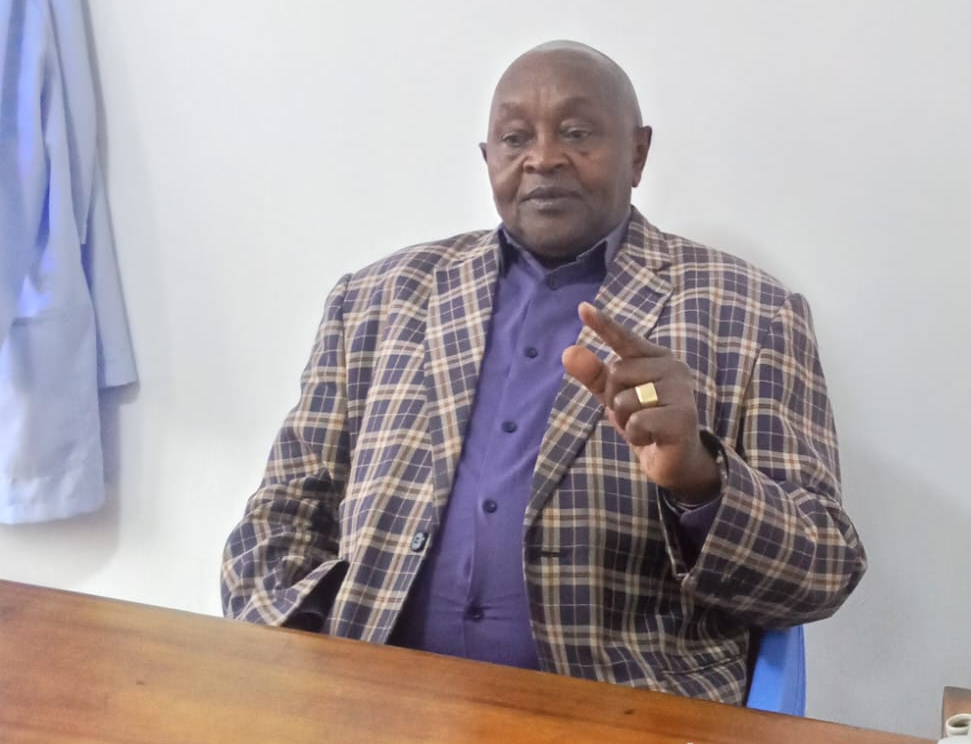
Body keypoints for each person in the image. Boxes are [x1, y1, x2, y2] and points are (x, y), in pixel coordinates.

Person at [221, 41, 865, 703]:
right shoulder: (377, 299)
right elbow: (278, 518)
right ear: (488, 159)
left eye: (577, 133)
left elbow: (823, 568)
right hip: (368, 708)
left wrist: (700, 483)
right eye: (515, 137)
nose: (543, 158)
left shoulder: (751, 314)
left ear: (638, 153)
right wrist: (303, 670)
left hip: (617, 721)